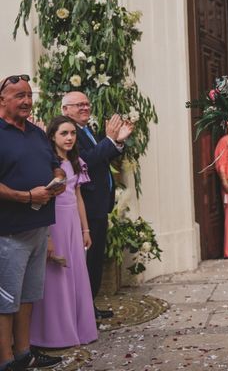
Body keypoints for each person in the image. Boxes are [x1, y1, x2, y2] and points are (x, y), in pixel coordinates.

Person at [0, 74, 64, 370]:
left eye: (29, 95)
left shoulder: (36, 133)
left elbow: (55, 164)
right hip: (8, 232)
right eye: (19, 96)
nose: (27, 101)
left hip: (38, 228)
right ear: (2, 100)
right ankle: (6, 360)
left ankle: (24, 354)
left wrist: (59, 179)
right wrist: (26, 196)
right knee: (5, 300)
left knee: (28, 297)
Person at [62, 91, 134, 320]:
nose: (85, 107)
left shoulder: (86, 130)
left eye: (86, 103)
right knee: (87, 261)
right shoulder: (69, 133)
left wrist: (117, 141)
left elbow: (100, 158)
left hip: (99, 204)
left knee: (94, 260)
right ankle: (83, 310)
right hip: (87, 207)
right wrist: (111, 140)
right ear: (65, 110)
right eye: (78, 105)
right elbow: (86, 161)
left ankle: (89, 305)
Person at [30, 116, 98, 347]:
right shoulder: (49, 163)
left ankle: (79, 329)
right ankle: (54, 334)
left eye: (72, 133)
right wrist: (47, 235)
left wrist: (85, 229)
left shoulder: (77, 161)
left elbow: (78, 197)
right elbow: (46, 198)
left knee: (76, 273)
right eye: (64, 134)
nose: (70, 138)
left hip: (72, 223)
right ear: (52, 136)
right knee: (55, 275)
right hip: (54, 222)